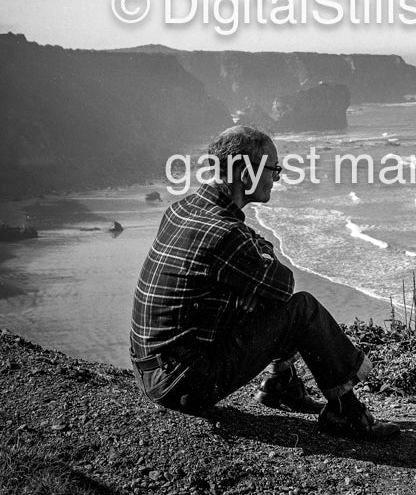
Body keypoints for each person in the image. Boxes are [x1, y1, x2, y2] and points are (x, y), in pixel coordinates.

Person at [130, 125, 400, 440]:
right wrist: (257, 273)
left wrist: (251, 280)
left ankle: (281, 385)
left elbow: (257, 266)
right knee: (301, 308)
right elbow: (284, 284)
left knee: (262, 291)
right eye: (273, 169)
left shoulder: (180, 209)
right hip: (184, 383)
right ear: (245, 174)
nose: (278, 177)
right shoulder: (228, 235)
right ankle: (347, 411)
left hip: (150, 370)